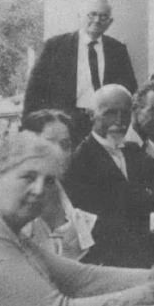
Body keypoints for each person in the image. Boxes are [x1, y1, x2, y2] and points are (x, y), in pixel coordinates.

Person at [0, 131, 154, 306]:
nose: (40, 190)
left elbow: (80, 277)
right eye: (28, 177)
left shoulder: (11, 232)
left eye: (49, 181)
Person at [64, 85, 154, 268]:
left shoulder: (130, 150)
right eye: (110, 113)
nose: (120, 121)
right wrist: (153, 222)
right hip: (113, 263)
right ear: (92, 114)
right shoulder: (79, 162)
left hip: (147, 249)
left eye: (125, 113)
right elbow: (96, 228)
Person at [23, 0, 138, 143]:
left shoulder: (117, 50)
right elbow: (34, 91)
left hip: (105, 125)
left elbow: (129, 88)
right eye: (92, 14)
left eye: (103, 16)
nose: (97, 20)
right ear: (80, 16)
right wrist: (29, 130)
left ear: (110, 21)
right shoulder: (55, 46)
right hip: (65, 123)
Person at [19, 110, 96, 260]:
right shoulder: (16, 200)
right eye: (48, 143)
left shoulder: (77, 190)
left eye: (65, 144)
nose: (58, 152)